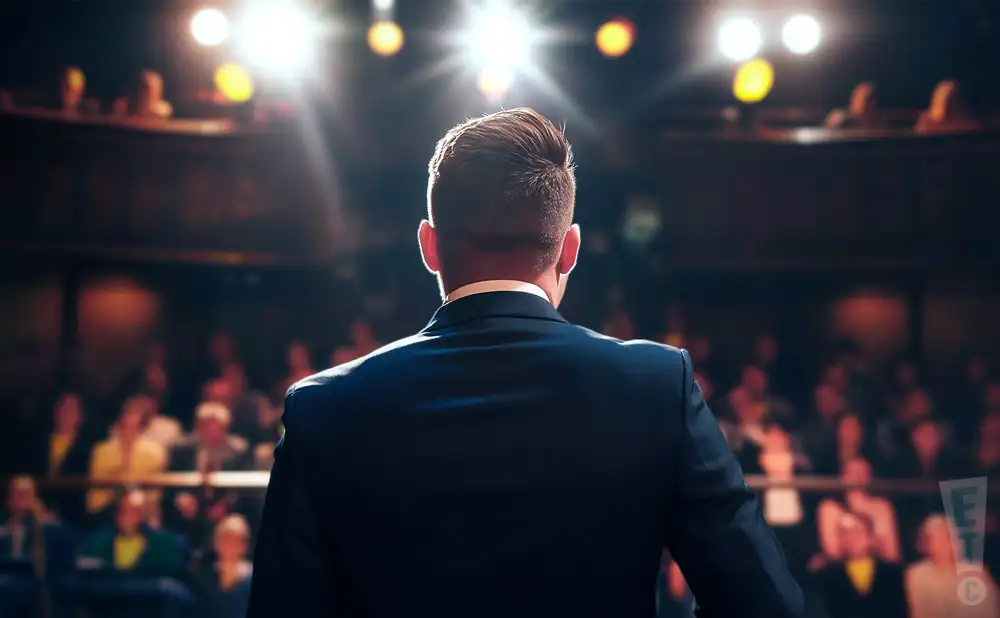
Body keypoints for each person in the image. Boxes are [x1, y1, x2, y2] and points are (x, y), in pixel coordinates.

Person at [248, 108, 803, 618]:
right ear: (570, 249)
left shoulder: (324, 408)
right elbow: (764, 605)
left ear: (428, 246)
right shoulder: (657, 387)